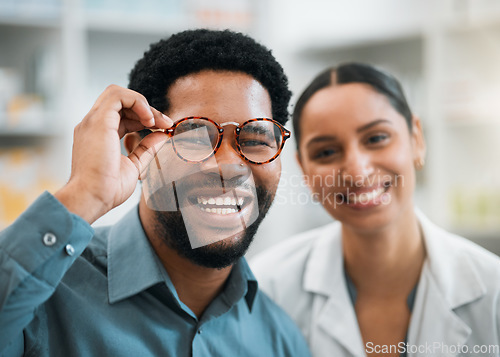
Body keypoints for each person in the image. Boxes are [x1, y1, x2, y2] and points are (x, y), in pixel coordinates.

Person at [0, 29, 311, 357]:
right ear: (139, 151)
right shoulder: (42, 295)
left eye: (254, 140)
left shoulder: (281, 340)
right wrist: (86, 194)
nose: (230, 166)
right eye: (193, 135)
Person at [251, 63, 500, 357]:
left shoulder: (493, 291)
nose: (357, 172)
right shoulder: (266, 289)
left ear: (416, 139)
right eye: (326, 152)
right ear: (305, 170)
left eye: (376, 138)